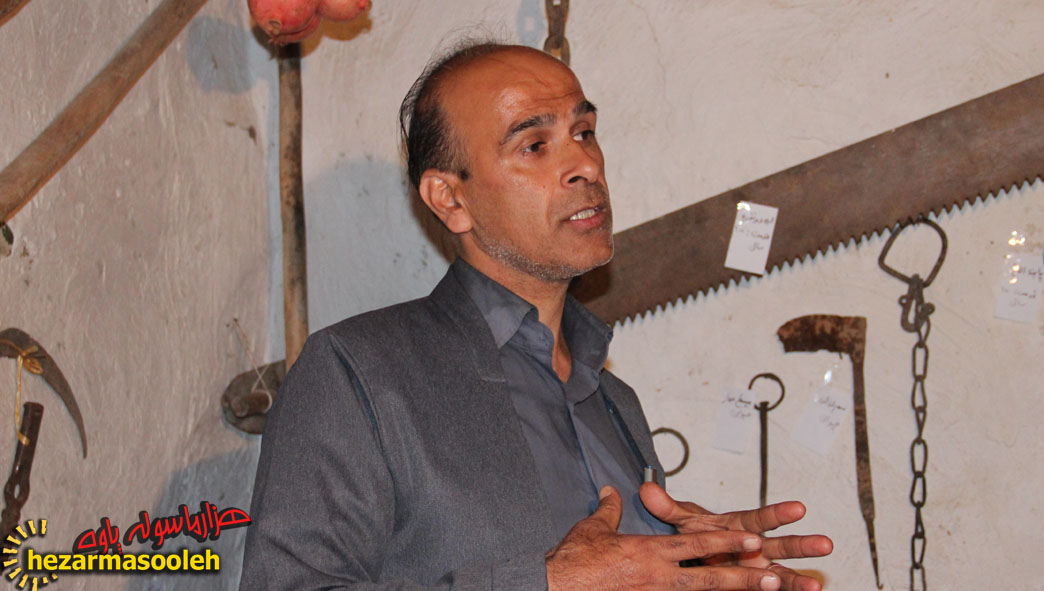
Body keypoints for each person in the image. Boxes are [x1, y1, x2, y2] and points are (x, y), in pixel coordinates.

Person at [239, 41, 832, 591]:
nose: (585, 165)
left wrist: (701, 568)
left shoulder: (613, 399)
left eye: (585, 131)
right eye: (534, 145)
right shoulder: (356, 372)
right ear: (451, 199)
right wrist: (547, 583)